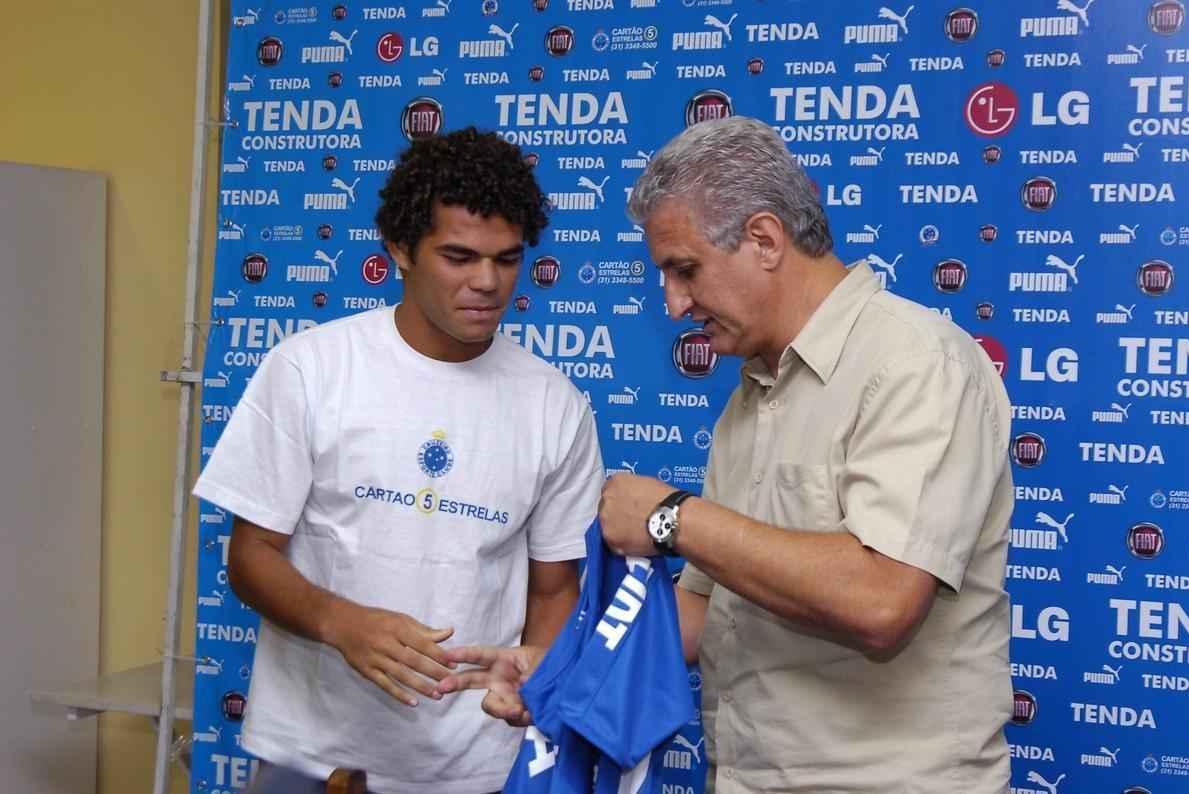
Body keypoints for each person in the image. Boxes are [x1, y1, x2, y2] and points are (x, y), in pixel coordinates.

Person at [440, 116, 1014, 793]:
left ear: (764, 239)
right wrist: (562, 672)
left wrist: (671, 519)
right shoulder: (753, 398)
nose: (676, 303)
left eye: (685, 271)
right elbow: (709, 613)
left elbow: (882, 600)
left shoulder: (915, 364)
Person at [193, 127, 605, 794]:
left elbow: (554, 588)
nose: (487, 282)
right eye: (459, 256)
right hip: (311, 756)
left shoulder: (556, 405)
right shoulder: (310, 369)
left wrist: (533, 678)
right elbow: (249, 558)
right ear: (399, 251)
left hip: (472, 764)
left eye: (506, 259)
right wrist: (343, 623)